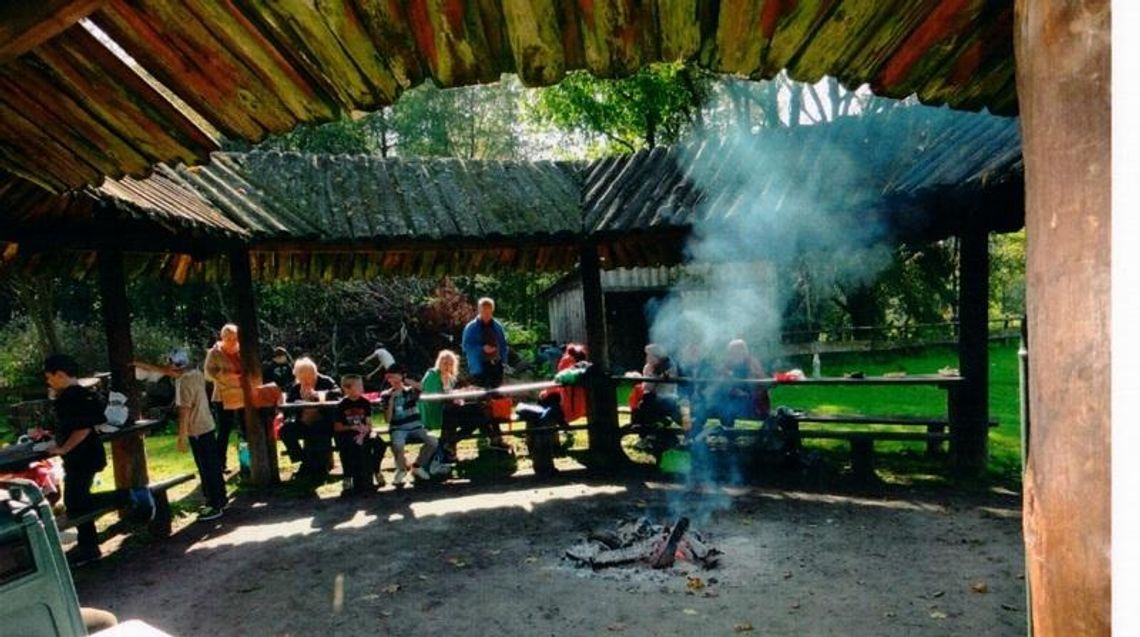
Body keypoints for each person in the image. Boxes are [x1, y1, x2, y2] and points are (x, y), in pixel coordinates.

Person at [40, 354, 151, 567]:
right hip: (89, 454)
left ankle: (129, 496)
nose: (48, 382)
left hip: (81, 457)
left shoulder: (70, 398)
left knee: (75, 502)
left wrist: (63, 447)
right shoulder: (83, 393)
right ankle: (88, 547)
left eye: (49, 377)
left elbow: (82, 428)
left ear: (60, 375)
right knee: (77, 500)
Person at [136, 350, 227, 521]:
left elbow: (184, 411)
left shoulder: (183, 382)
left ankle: (214, 505)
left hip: (197, 429)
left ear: (176, 365)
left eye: (170, 362)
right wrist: (141, 365)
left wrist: (182, 437)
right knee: (213, 466)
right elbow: (167, 371)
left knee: (206, 469)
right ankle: (221, 500)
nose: (168, 366)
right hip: (207, 425)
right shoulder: (196, 373)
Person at [282, 357, 342, 481]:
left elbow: (338, 395)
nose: (305, 380)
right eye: (301, 378)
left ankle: (319, 466)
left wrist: (320, 395)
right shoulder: (296, 387)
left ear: (314, 373)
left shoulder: (325, 381)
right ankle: (303, 459)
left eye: (308, 377)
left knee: (318, 430)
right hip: (303, 421)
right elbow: (288, 407)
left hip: (324, 422)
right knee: (285, 431)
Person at [383, 364, 438, 486]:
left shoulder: (410, 392)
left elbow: (422, 388)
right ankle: (402, 469)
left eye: (395, 377)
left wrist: (404, 380)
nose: (393, 380)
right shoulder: (385, 395)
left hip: (417, 427)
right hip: (398, 428)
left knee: (433, 441)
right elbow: (387, 419)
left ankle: (417, 466)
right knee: (397, 444)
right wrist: (391, 400)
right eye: (390, 378)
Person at [332, 374, 385, 496]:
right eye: (359, 386)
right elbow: (338, 427)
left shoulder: (365, 402)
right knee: (349, 448)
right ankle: (348, 477)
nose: (362, 388)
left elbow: (369, 423)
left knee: (380, 444)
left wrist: (363, 433)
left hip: (364, 432)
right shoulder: (341, 405)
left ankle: (375, 469)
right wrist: (352, 427)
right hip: (348, 433)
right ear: (347, 388)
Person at [204, 324, 246, 472]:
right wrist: (224, 374)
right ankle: (220, 464)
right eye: (228, 338)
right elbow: (208, 374)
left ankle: (247, 463)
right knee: (224, 431)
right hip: (222, 396)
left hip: (241, 395)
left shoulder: (243, 350)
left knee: (246, 429)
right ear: (222, 338)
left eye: (234, 338)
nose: (232, 341)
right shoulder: (214, 352)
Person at [709, 339, 770, 428]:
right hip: (733, 403)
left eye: (737, 351)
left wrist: (744, 393)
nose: (733, 355)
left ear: (744, 352)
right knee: (724, 406)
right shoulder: (728, 364)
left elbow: (760, 385)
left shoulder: (752, 364)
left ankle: (731, 434)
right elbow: (719, 383)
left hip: (753, 404)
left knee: (728, 408)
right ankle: (729, 434)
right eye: (731, 352)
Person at [461, 297, 508, 388]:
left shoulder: (497, 327)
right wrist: (482, 348)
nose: (486, 314)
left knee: (496, 394)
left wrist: (504, 362)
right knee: (482, 395)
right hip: (479, 366)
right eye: (484, 311)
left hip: (496, 365)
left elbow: (503, 345)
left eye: (489, 312)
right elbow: (466, 346)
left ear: (492, 310)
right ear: (479, 310)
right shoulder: (471, 328)